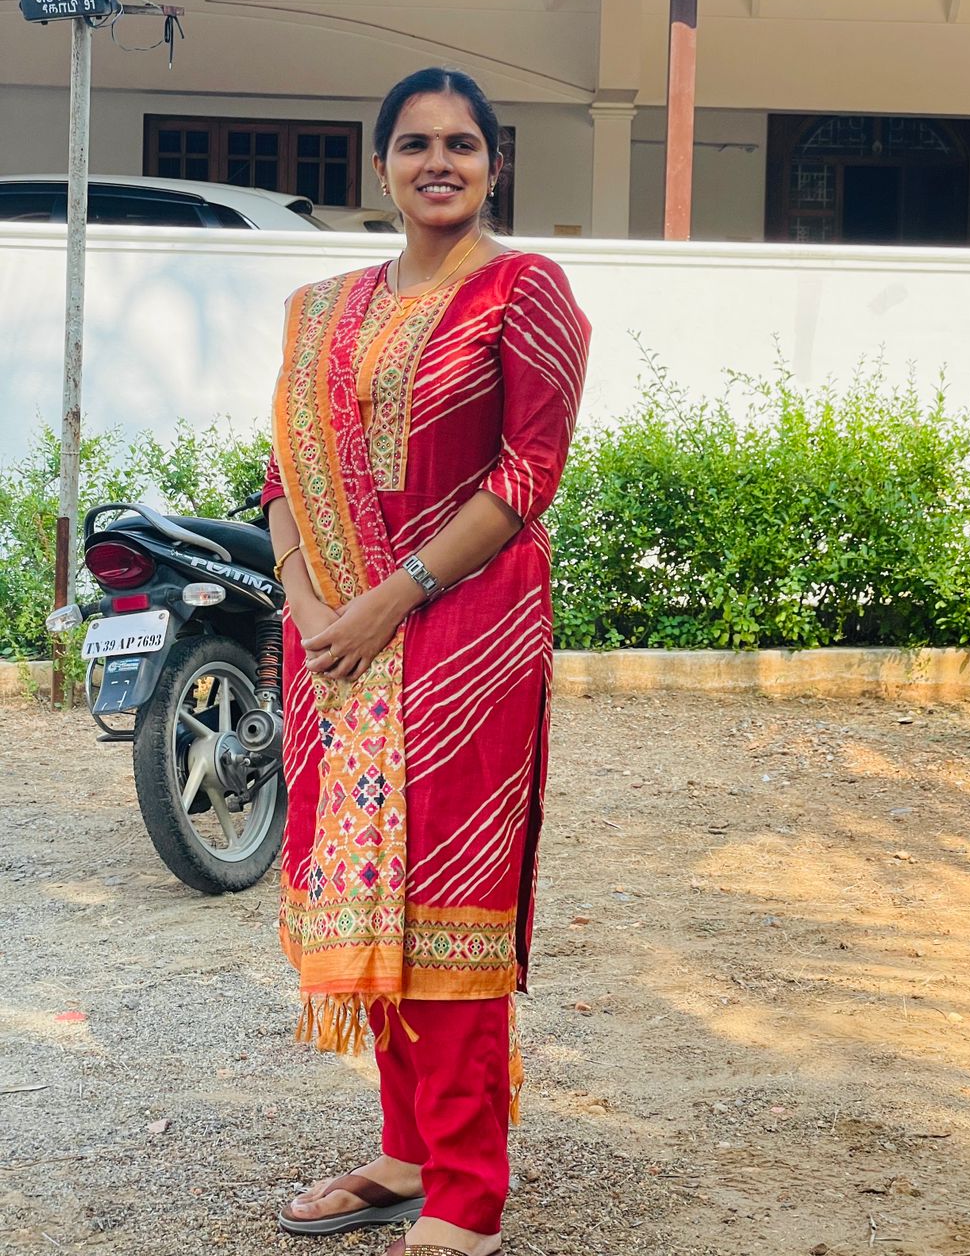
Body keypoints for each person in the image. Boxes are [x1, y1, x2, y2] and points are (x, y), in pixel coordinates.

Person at [261, 67, 591, 1256]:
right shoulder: (323, 308)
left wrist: (389, 601)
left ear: (494, 164)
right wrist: (311, 607)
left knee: (448, 902)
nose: (437, 162)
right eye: (414, 143)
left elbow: (526, 474)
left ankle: (466, 1195)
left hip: (462, 633)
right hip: (334, 650)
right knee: (369, 894)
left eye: (461, 143)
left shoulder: (524, 290)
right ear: (381, 165)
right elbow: (281, 473)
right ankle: (407, 1155)